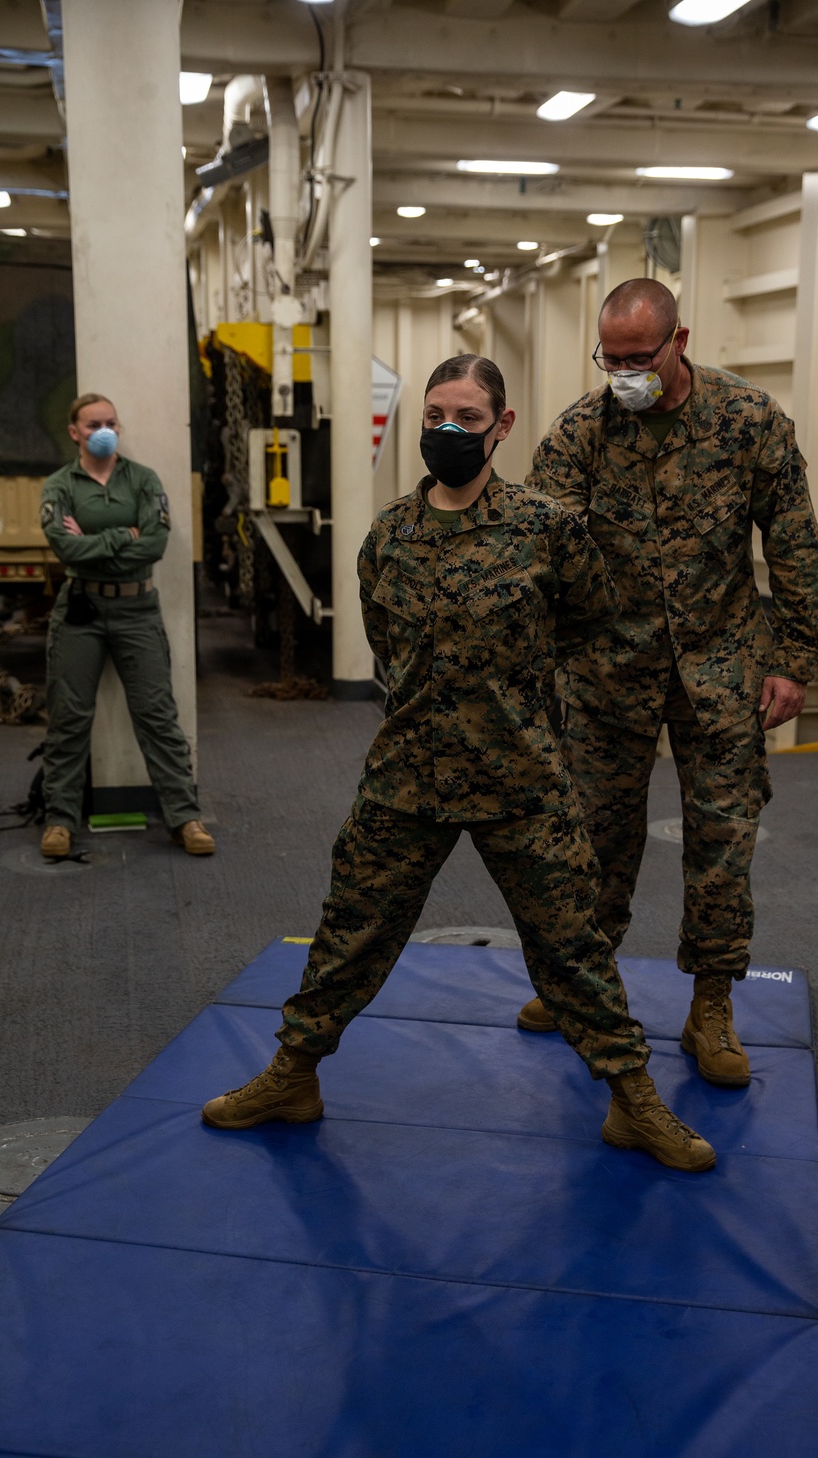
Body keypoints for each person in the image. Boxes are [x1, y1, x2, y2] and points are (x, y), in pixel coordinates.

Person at [203, 354, 714, 1172]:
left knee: (573, 948)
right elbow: (389, 647)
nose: (446, 430)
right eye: (435, 414)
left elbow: (594, 622)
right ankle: (292, 1076)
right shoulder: (388, 538)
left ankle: (633, 1101)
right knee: (350, 933)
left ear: (501, 427)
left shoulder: (546, 529)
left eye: (466, 418)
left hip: (521, 777)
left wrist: (524, 704)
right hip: (407, 774)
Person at [515, 280, 818, 1087]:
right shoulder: (581, 433)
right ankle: (581, 986)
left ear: (678, 341)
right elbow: (540, 557)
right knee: (591, 842)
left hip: (721, 668)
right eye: (610, 359)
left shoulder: (749, 421)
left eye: (638, 358)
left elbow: (794, 546)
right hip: (607, 674)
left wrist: (794, 661)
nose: (624, 373)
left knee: (723, 847)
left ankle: (712, 1007)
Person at [39, 393, 214, 859]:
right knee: (69, 717)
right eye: (94, 423)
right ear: (74, 431)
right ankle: (59, 820)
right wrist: (125, 535)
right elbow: (65, 550)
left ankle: (184, 817)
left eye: (112, 422)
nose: (105, 430)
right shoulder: (60, 485)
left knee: (157, 715)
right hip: (82, 610)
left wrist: (97, 539)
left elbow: (154, 545)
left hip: (137, 609)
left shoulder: (143, 480)